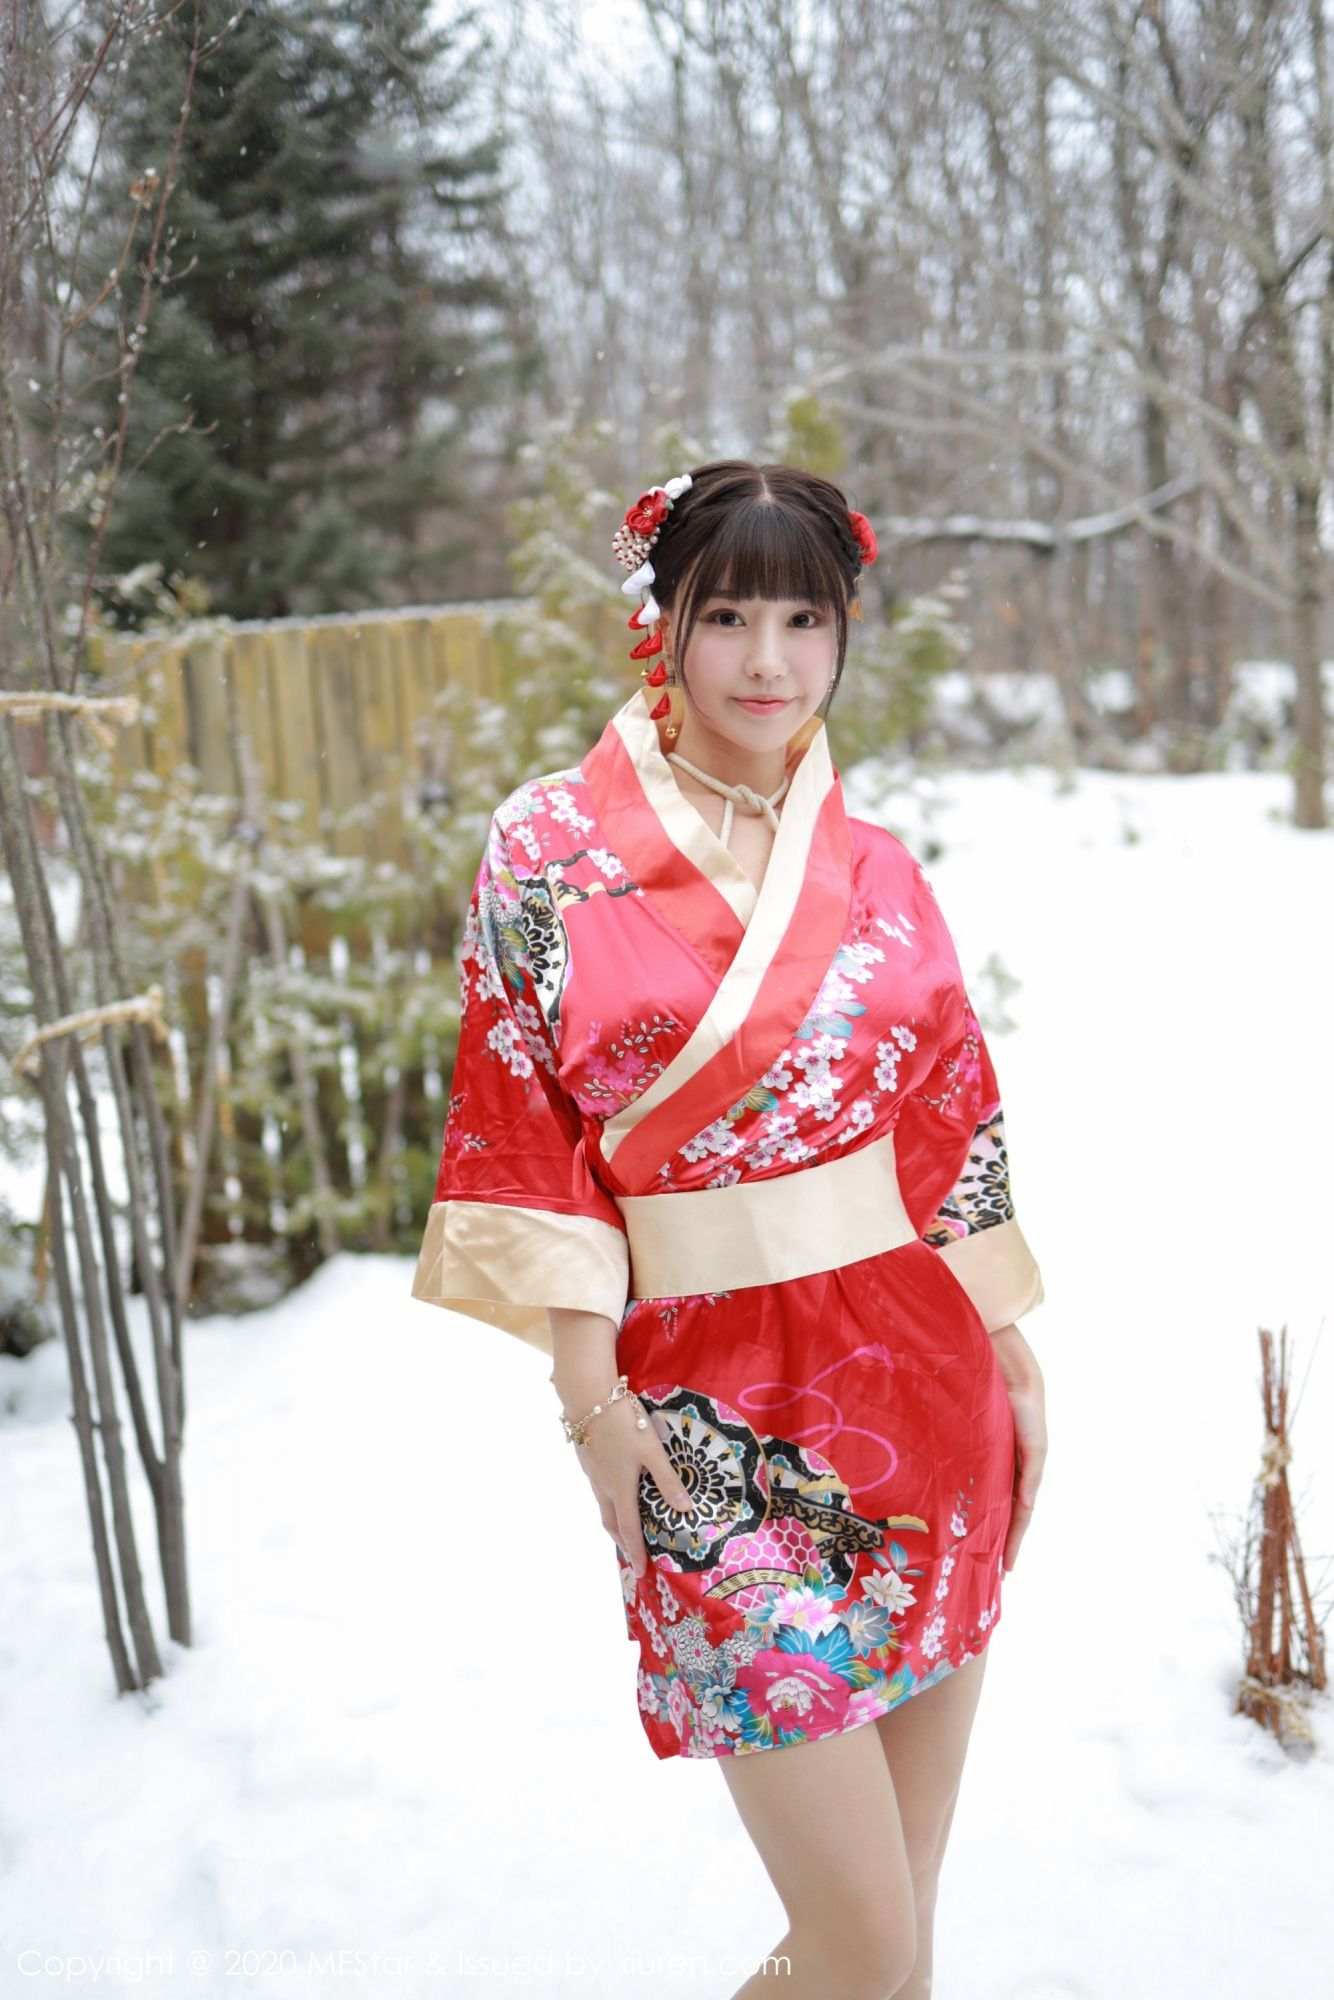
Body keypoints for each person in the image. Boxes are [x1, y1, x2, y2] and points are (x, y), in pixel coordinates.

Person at [412, 459, 1049, 2000]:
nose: (768, 661)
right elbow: (522, 1127)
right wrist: (589, 1399)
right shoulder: (548, 846)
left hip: (922, 1384)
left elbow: (947, 1112)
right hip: (704, 1421)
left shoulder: (875, 866)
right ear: (663, 625)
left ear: (842, 635)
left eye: (804, 621)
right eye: (727, 617)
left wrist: (1015, 1354)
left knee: (899, 1931)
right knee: (858, 1941)